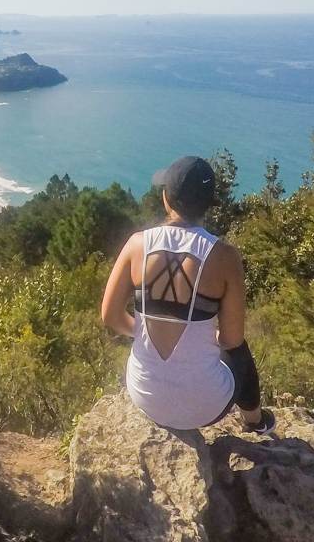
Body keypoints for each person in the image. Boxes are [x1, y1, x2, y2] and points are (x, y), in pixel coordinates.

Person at [100, 155, 275, 433]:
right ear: (209, 205)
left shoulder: (136, 245)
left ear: (166, 199)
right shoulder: (225, 257)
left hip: (145, 397)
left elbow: (109, 316)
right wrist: (208, 339)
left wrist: (146, 330)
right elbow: (231, 339)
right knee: (239, 350)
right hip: (206, 407)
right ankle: (255, 422)